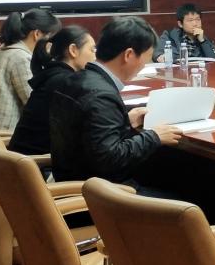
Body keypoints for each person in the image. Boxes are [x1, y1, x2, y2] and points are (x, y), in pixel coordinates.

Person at [50, 16, 182, 193]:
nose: (144, 66)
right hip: (103, 195)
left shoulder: (73, 80)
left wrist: (125, 121)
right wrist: (154, 136)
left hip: (75, 178)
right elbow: (109, 159)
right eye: (146, 59)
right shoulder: (101, 95)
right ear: (129, 55)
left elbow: (86, 134)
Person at [9, 26, 96, 156]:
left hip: (22, 160)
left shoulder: (54, 75)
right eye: (92, 49)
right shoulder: (66, 82)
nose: (95, 56)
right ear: (73, 50)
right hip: (37, 164)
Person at [0, 9, 60, 130]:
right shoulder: (20, 57)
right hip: (1, 133)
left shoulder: (7, 49)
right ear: (37, 34)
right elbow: (34, 104)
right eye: (51, 39)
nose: (52, 45)